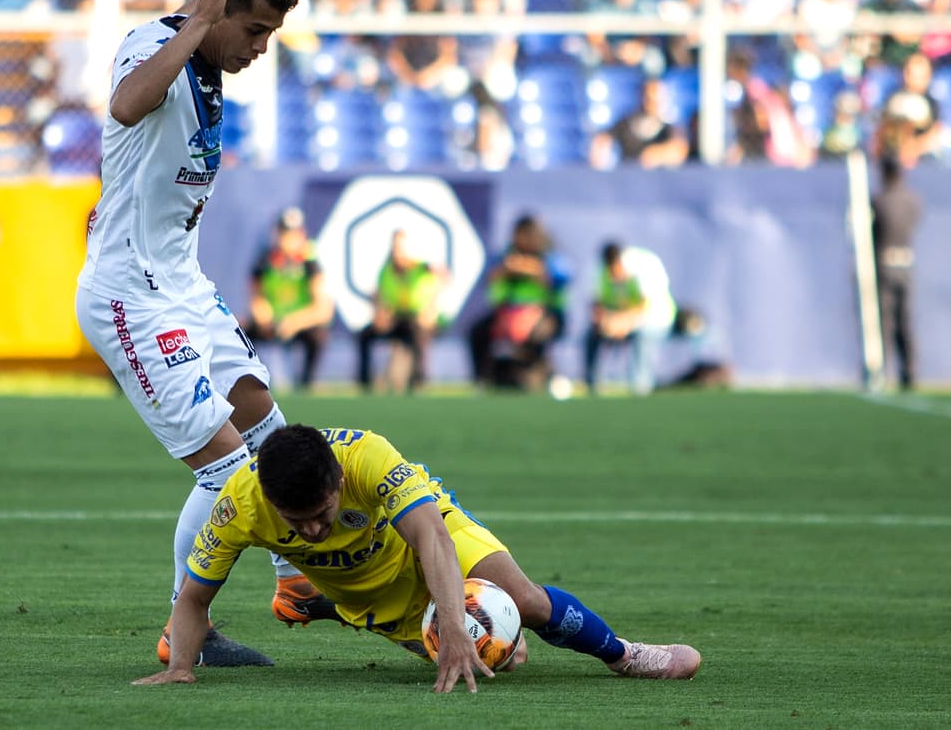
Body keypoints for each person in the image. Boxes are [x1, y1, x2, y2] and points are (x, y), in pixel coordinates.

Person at [74, 0, 336, 669]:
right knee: (228, 471)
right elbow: (126, 105)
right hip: (130, 294)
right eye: (253, 29)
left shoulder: (216, 69)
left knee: (269, 425)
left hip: (184, 286)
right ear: (217, 8)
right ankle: (185, 629)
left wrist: (217, 24)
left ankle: (294, 583)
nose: (260, 48)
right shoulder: (154, 43)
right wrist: (198, 13)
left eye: (270, 35)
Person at [135, 423, 702, 692]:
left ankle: (625, 654)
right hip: (368, 593)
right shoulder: (240, 504)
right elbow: (193, 599)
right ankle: (329, 606)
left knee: (522, 602)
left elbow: (433, 538)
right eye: (295, 520)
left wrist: (454, 622)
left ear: (337, 479)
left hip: (425, 539)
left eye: (321, 512)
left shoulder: (367, 458)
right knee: (497, 658)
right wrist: (180, 667)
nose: (310, 529)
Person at [467, 215, 569, 391]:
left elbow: (559, 279)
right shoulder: (507, 256)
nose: (517, 239)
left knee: (538, 334)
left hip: (542, 313)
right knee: (477, 331)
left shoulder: (549, 256)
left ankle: (551, 375)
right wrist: (504, 312)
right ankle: (482, 378)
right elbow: (493, 281)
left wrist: (528, 268)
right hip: (508, 312)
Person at [243, 207, 334, 391]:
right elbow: (256, 296)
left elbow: (323, 309)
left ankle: (306, 385)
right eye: (284, 233)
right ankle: (247, 383)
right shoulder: (265, 261)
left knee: (318, 337)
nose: (288, 239)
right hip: (271, 323)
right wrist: (262, 314)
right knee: (240, 333)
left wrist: (294, 322)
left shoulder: (310, 263)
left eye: (293, 234)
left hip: (298, 324)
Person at [356, 228, 447, 393]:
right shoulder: (386, 270)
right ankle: (365, 384)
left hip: (419, 318)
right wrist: (381, 313)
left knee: (418, 333)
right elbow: (381, 296)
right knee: (365, 335)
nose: (397, 253)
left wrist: (431, 309)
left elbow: (443, 277)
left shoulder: (422, 267)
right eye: (395, 248)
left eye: (400, 248)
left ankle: (418, 382)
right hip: (396, 318)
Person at [583, 241, 676, 396]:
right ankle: (591, 385)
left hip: (655, 321)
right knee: (592, 335)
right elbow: (596, 304)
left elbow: (646, 307)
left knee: (642, 336)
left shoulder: (644, 265)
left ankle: (640, 387)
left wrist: (623, 323)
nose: (614, 274)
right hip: (618, 321)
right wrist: (605, 322)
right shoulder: (600, 270)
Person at [872, 158, 922, 390]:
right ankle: (909, 372)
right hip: (906, 262)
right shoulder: (912, 201)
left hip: (884, 263)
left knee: (885, 320)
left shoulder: (879, 200)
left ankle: (881, 371)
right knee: (904, 320)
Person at [589, 78, 691, 170]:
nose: (651, 102)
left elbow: (679, 151)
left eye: (656, 98)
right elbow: (603, 140)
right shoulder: (627, 123)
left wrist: (656, 154)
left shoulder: (670, 126)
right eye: (647, 97)